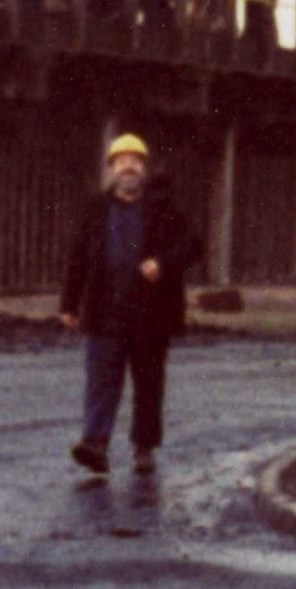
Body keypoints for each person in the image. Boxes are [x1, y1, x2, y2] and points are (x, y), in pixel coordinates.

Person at [59, 132, 206, 476]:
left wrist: (162, 263)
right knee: (101, 381)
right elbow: (78, 257)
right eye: (122, 161)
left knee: (148, 384)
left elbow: (194, 245)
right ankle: (95, 444)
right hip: (105, 311)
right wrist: (69, 304)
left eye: (135, 161)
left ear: (144, 168)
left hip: (150, 314)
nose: (129, 167)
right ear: (111, 169)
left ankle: (144, 447)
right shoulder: (96, 208)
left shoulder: (163, 209)